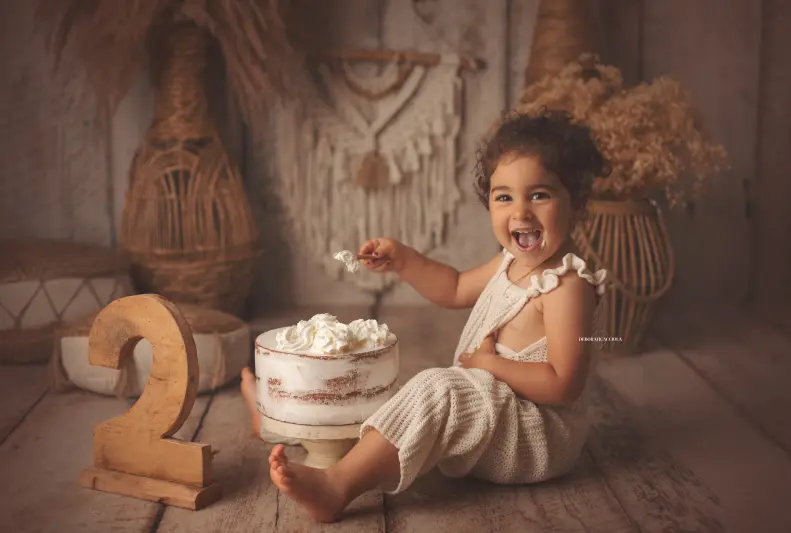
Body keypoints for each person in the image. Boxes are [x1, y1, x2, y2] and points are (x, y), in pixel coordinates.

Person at [241, 108, 610, 522]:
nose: (520, 212)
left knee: (437, 390)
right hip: (497, 410)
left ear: (577, 205)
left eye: (539, 195)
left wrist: (490, 364)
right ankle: (281, 424)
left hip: (534, 436)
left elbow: (563, 386)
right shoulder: (510, 261)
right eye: (504, 196)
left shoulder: (566, 285)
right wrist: (405, 260)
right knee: (395, 395)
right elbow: (453, 287)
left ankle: (337, 485)